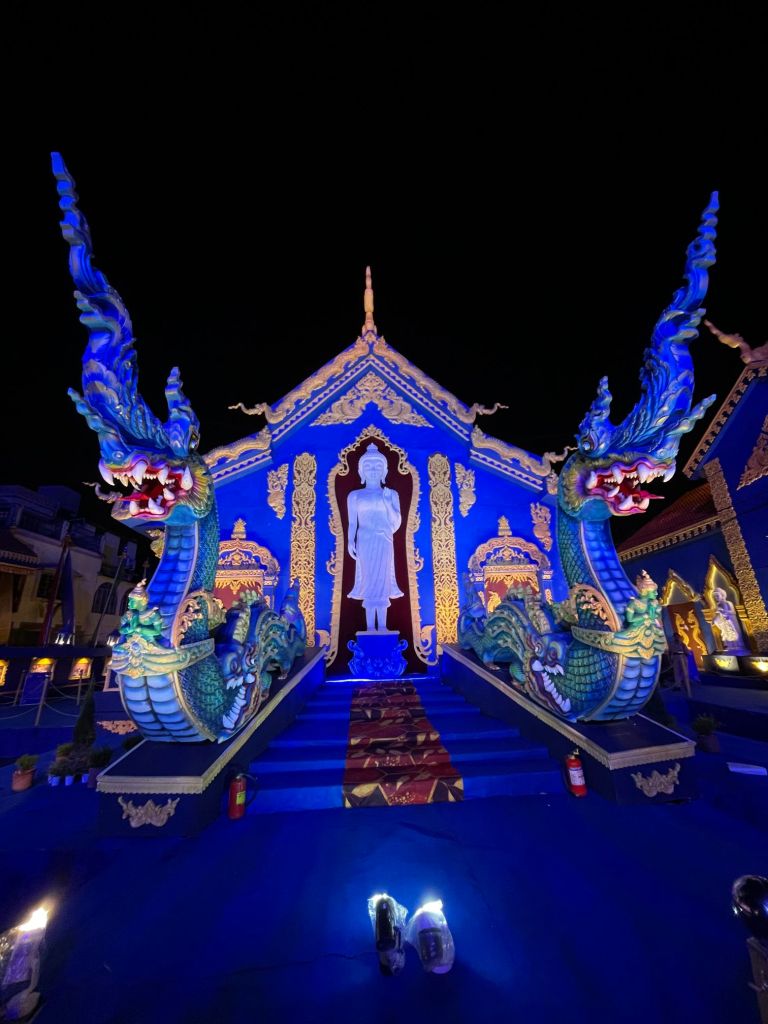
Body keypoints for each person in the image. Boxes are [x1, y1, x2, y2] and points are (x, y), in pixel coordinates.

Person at [347, 443, 404, 631]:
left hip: (384, 540)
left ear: (384, 471)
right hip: (364, 541)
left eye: (377, 466)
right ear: (361, 471)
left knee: (383, 581)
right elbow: (353, 523)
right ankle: (371, 628)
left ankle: (383, 627)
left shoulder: (391, 494)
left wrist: (387, 503)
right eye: (368, 466)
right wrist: (350, 541)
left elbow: (396, 523)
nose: (373, 470)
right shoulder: (354, 495)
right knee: (369, 582)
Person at [668, 631, 691, 697]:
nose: (676, 637)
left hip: (682, 656)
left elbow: (686, 651)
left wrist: (687, 654)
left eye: (677, 636)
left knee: (685, 671)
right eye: (675, 636)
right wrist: (670, 659)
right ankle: (678, 685)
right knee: (676, 672)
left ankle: (687, 682)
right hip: (675, 657)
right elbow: (670, 651)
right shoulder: (671, 643)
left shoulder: (682, 643)